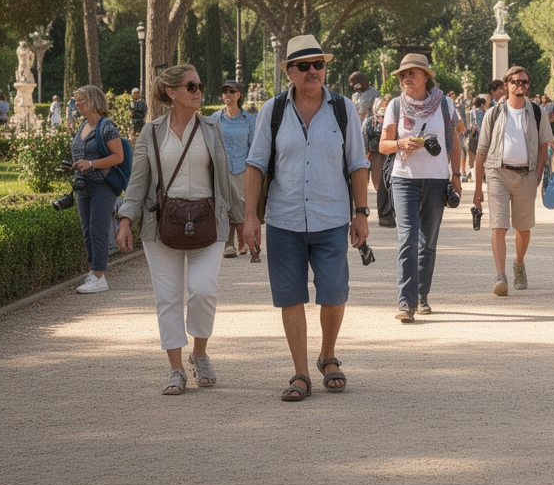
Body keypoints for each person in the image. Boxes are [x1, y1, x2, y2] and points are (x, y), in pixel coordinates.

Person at [242, 36, 369, 400]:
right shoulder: (273, 111)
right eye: (303, 66)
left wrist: (360, 214)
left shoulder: (343, 109)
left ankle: (327, 355)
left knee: (333, 293)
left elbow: (358, 166)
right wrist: (250, 217)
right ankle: (300, 372)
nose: (312, 71)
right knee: (289, 297)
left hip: (331, 217)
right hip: (284, 219)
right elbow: (255, 165)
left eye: (318, 64)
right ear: (289, 73)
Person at [116, 65, 241, 395]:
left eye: (200, 84)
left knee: (203, 290)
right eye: (191, 86)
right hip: (162, 226)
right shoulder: (151, 132)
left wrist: (242, 221)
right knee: (167, 298)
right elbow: (138, 182)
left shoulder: (212, 128)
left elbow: (226, 179)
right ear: (171, 93)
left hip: (209, 220)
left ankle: (199, 355)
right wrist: (126, 220)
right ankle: (175, 368)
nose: (199, 90)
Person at [379, 53, 461, 322]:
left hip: (437, 181)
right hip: (404, 180)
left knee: (428, 243)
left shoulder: (446, 104)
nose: (405, 78)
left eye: (411, 73)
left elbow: (456, 142)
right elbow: (383, 145)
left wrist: (456, 175)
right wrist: (401, 144)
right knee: (408, 240)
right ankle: (406, 302)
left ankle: (422, 296)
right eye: (402, 75)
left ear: (426, 76)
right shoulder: (395, 105)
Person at [473, 66, 553, 297]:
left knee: (523, 228)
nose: (520, 86)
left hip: (526, 176)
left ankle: (518, 263)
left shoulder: (537, 113)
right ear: (506, 85)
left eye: (524, 82)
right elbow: (481, 152)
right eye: (515, 82)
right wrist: (478, 189)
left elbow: (544, 146)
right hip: (498, 172)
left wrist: (537, 176)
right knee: (498, 225)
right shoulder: (493, 113)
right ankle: (501, 276)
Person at [68, 86, 126, 294]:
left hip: (102, 186)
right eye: (76, 100)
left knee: (97, 230)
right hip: (83, 186)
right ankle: (93, 271)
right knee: (87, 231)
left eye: (80, 99)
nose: (77, 104)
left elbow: (118, 156)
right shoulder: (83, 125)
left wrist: (91, 164)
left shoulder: (106, 126)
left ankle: (100, 277)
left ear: (92, 101)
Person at [211, 80, 256, 259]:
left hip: (243, 168)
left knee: (243, 205)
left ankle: (243, 242)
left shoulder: (249, 120)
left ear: (239, 94)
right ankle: (228, 244)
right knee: (224, 205)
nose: (227, 95)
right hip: (222, 169)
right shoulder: (215, 119)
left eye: (231, 91)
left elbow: (253, 146)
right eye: (224, 92)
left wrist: (254, 170)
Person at [364, 94, 396, 228]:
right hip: (376, 155)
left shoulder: (396, 118)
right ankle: (384, 214)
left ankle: (388, 213)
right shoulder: (371, 121)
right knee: (381, 186)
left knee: (390, 186)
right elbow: (365, 139)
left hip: (392, 154)